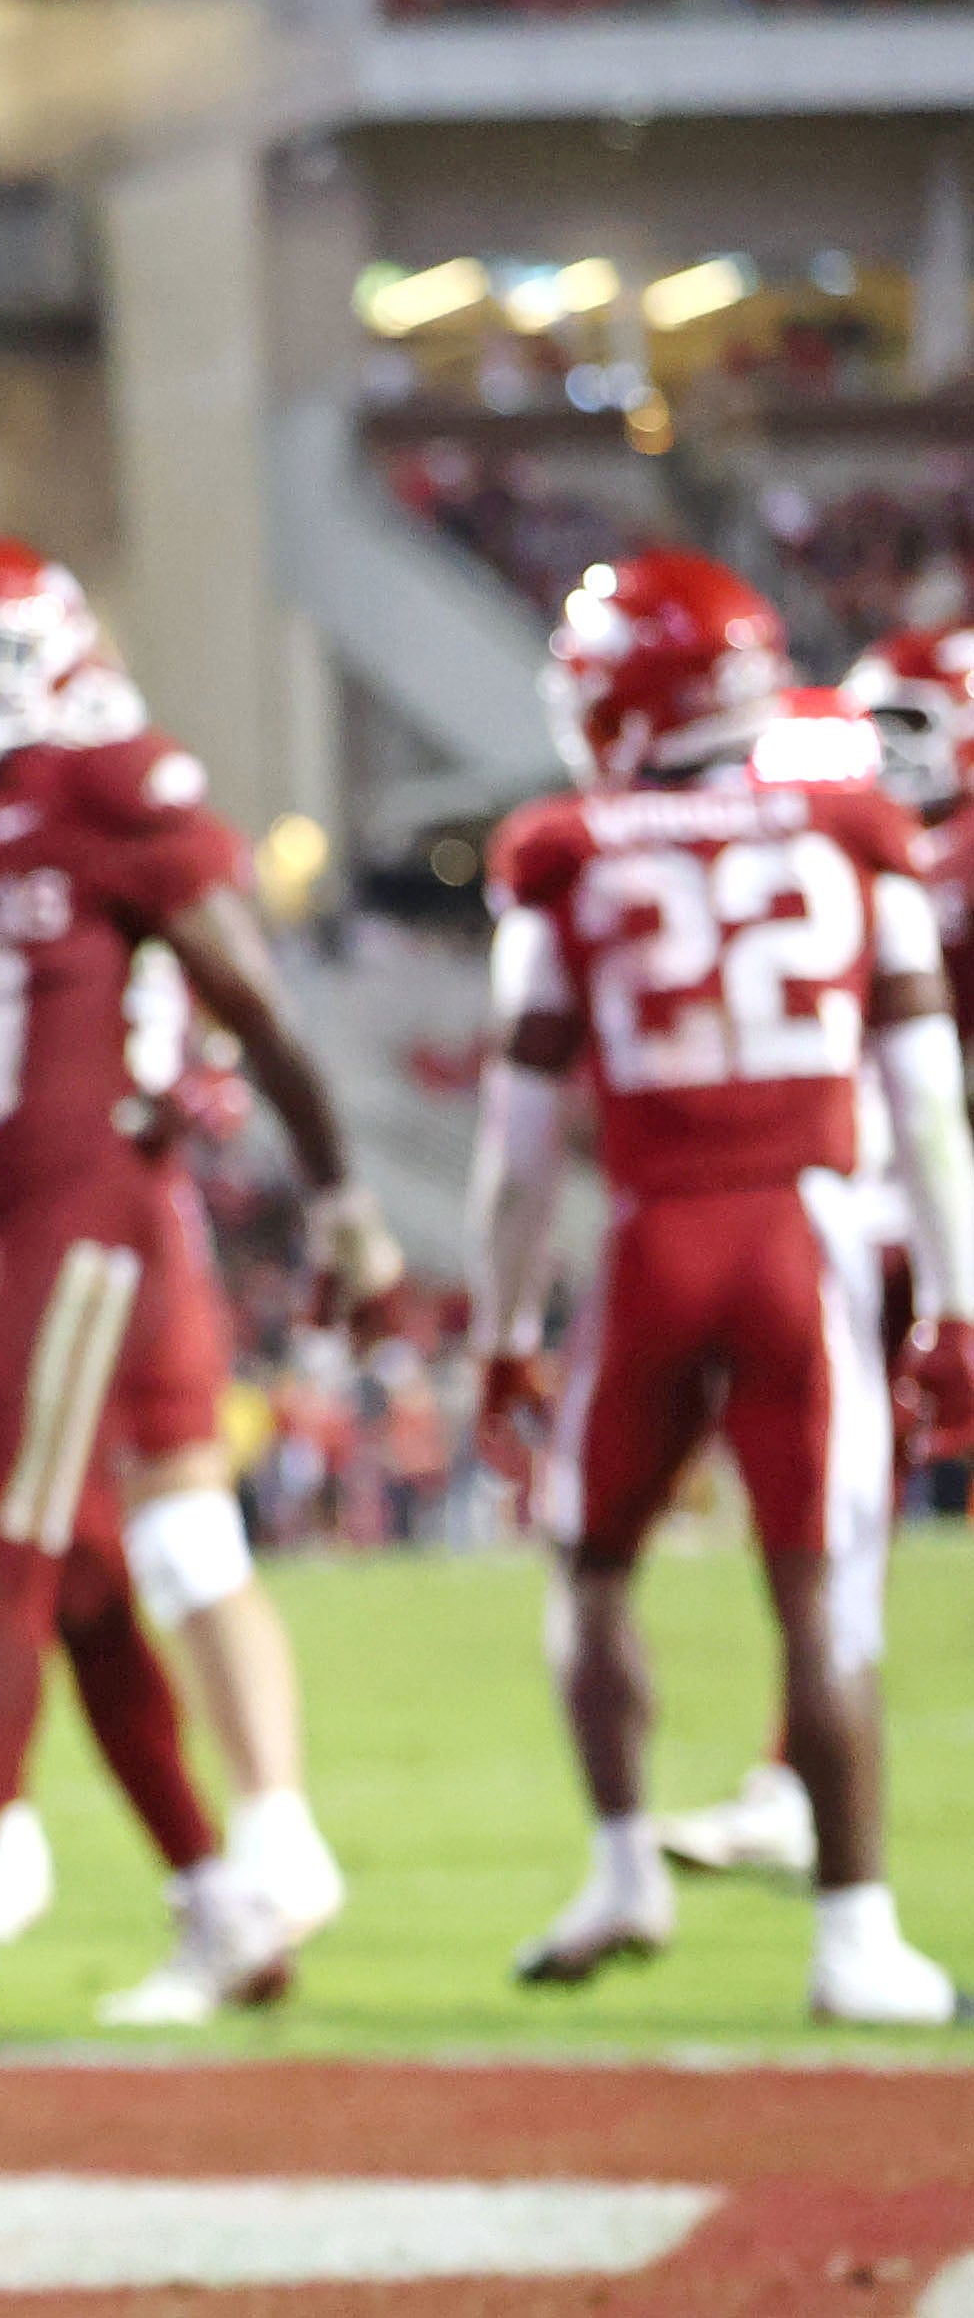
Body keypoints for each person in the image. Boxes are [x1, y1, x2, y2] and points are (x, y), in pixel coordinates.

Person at [0, 540, 381, 2031]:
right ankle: (215, 1893)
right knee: (86, 1576)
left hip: (81, 1209)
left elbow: (253, 1006)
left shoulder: (103, 792)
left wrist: (340, 1189)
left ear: (45, 659)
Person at [471, 558, 972, 2025]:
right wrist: (952, 1302)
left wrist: (502, 1328)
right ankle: (852, 1937)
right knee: (815, 1594)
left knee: (590, 1560)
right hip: (803, 1235)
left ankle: (623, 1864)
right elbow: (927, 1109)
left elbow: (514, 1148)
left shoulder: (566, 849)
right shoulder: (851, 834)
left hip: (650, 1236)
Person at [658, 630, 974, 1883]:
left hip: (914, 1211)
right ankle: (797, 1781)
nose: (876, 761)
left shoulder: (917, 860)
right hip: (895, 1212)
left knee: (838, 1505)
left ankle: (798, 1787)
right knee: (836, 1507)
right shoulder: (873, 852)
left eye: (902, 727)